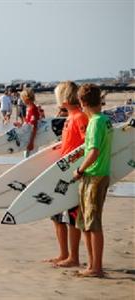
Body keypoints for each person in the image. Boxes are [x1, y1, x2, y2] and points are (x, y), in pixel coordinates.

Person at [44, 81, 88, 268]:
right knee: (55, 214)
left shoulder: (79, 117)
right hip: (61, 172)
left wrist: (79, 169)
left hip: (74, 174)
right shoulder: (69, 117)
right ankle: (63, 253)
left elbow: (88, 145)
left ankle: (74, 257)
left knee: (71, 216)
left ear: (64, 97)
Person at [73, 83, 113, 278]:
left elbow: (94, 151)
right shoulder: (105, 120)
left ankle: (96, 267)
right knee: (86, 222)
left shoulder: (96, 122)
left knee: (93, 223)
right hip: (96, 174)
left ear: (82, 102)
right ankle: (91, 264)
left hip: (95, 175)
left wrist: (80, 170)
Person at [15, 88, 39, 158]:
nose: (22, 100)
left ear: (26, 99)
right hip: (27, 137)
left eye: (22, 99)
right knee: (26, 158)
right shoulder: (29, 108)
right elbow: (28, 125)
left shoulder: (32, 109)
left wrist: (31, 142)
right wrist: (20, 125)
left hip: (31, 139)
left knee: (29, 160)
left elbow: (34, 127)